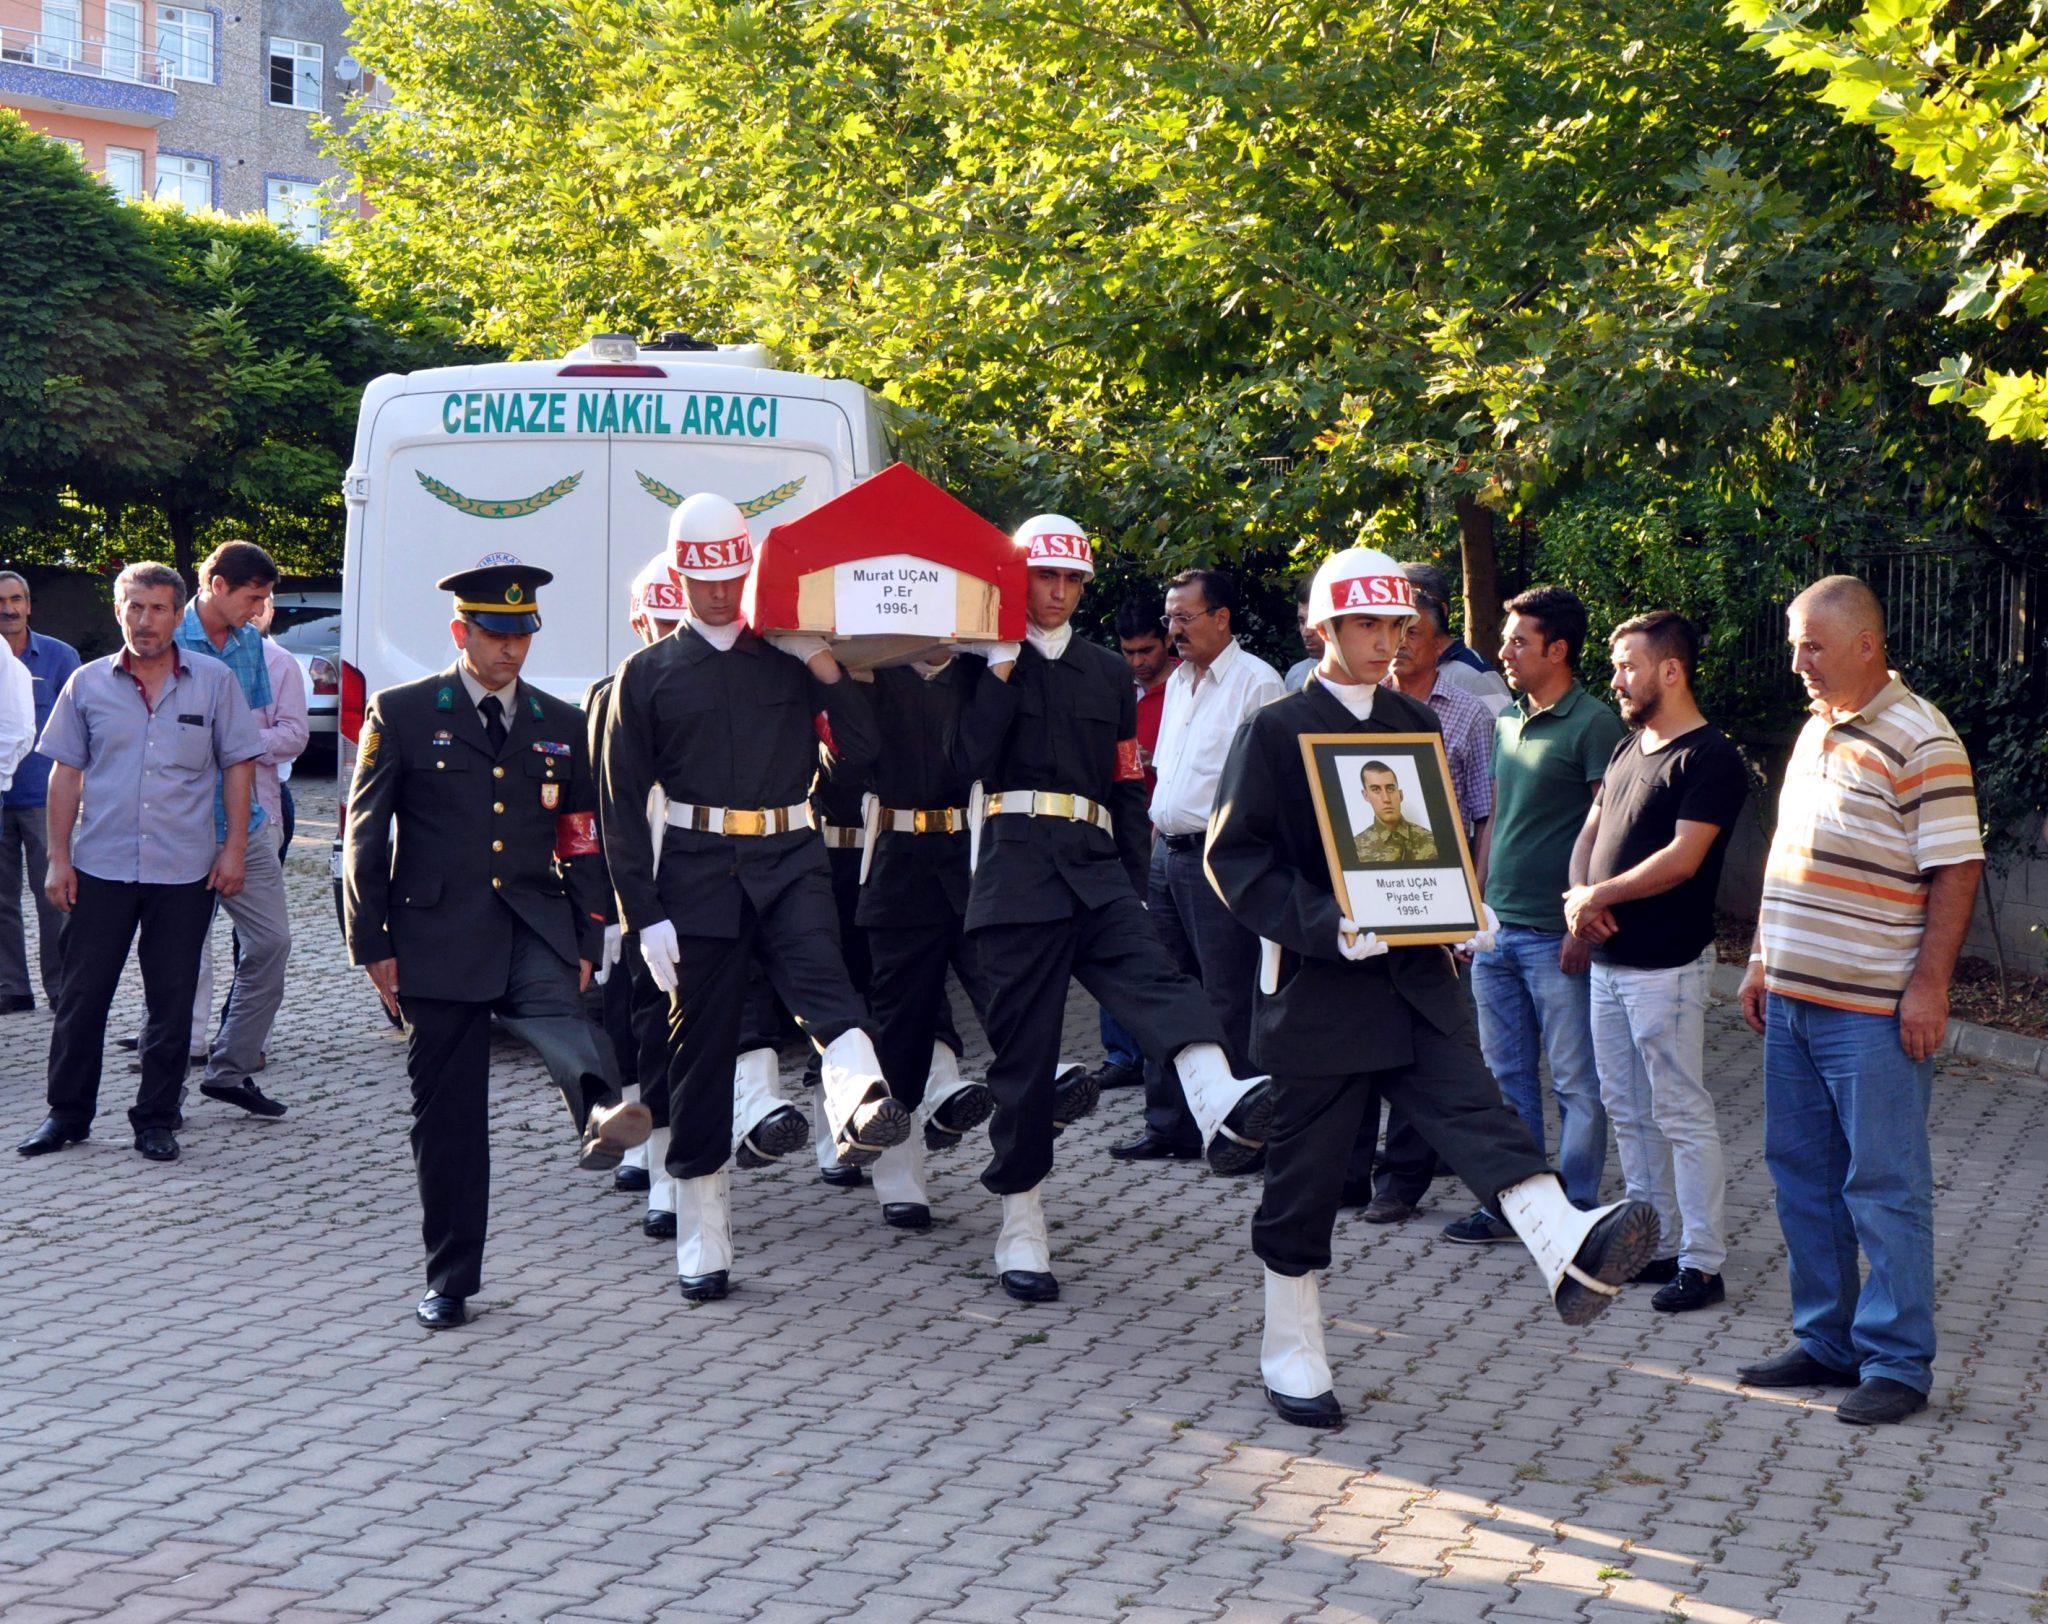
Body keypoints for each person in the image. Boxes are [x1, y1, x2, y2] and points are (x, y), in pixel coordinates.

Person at [1207, 544, 1657, 1429]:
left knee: (1477, 1113)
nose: (1385, 641)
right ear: (1321, 627)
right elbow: (1236, 857)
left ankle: (1563, 1241)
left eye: (1395, 625)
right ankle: (1291, 1347)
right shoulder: (1274, 727)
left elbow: (1430, 841)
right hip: (1322, 991)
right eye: (1366, 624)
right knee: (1307, 1177)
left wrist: (1464, 908)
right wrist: (1326, 923)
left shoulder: (1409, 724)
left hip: (1418, 980)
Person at [952, 514, 1272, 1303]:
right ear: (1017, 578)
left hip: (1097, 871)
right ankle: (1022, 1220)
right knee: (1024, 1065)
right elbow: (960, 764)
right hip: (1017, 873)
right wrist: (995, 669)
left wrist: (1133, 878)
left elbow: (1129, 783)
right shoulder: (979, 665)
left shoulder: (1106, 674)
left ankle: (1216, 1096)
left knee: (1159, 982)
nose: (1059, 593)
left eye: (1072, 580)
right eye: (1045, 577)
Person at [598, 492, 908, 1304]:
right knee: (699, 1053)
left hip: (790, 854)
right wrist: (643, 915)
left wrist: (822, 663)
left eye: (730, 575)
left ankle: (860, 1104)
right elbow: (619, 805)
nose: (718, 593)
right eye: (703, 579)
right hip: (695, 874)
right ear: (679, 575)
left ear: (747, 569)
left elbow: (867, 749)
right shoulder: (646, 675)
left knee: (827, 987)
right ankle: (704, 1229)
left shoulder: (782, 660)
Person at [343, 562, 649, 1330]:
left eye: (522, 634)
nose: (511, 649)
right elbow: (364, 833)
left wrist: (590, 926)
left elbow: (580, 837)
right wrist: (371, 943)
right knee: (447, 1120)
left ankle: (603, 1112)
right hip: (435, 934)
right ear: (461, 633)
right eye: (495, 634)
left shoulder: (558, 720)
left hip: (533, 920)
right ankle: (449, 1278)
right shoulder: (405, 712)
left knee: (566, 1020)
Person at [1735, 576, 1982, 1427]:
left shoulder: (1922, 737)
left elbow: (1957, 867)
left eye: (1813, 646)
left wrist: (1929, 986)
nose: (1797, 661)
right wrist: (1763, 957)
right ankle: (1828, 1342)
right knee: (1802, 1177)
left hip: (1874, 1011)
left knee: (1883, 1187)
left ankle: (1898, 1365)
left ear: (1867, 645)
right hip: (1795, 1000)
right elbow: (1788, 856)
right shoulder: (1816, 730)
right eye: (1795, 643)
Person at [16, 563, 262, 1164]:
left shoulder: (213, 681)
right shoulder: (87, 684)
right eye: (135, 608)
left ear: (179, 615)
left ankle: (156, 1119)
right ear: (118, 611)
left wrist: (232, 851)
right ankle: (67, 1116)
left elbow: (238, 766)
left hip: (184, 871)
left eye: (157, 609)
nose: (145, 621)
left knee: (171, 1002)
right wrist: (58, 860)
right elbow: (64, 773)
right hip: (100, 868)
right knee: (82, 998)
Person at [1564, 612, 1747, 1314]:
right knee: (1626, 1110)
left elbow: (1683, 859)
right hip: (1610, 963)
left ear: (1670, 670)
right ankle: (1651, 1241)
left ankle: (1702, 1263)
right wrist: (1577, 899)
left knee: (1679, 1111)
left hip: (1667, 968)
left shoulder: (1710, 758)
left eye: (1627, 666)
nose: (1615, 679)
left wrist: (1598, 895)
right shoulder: (1628, 746)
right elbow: (1592, 830)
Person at [1442, 585, 1623, 1245]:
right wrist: (1474, 913)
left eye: (1519, 641)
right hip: (1498, 930)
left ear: (1560, 649)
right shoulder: (1507, 720)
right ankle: (1514, 1203)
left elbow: (1611, 832)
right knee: (1504, 1076)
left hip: (1557, 937)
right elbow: (1495, 825)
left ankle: (1572, 1208)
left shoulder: (1594, 723)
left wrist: (1584, 923)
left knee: (1576, 1079)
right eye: (1506, 639)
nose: (1504, 652)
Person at [1340, 580, 1501, 1223]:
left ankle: (1401, 1183)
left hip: (1434, 891)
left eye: (1408, 632)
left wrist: (1472, 904)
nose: (1395, 646)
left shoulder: (1465, 711)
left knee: (1423, 1039)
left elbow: (1484, 817)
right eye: (1383, 631)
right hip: (1358, 891)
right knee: (1353, 1035)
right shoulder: (1351, 709)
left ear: (1440, 641)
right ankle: (1347, 1173)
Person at [1112, 568, 1281, 1165]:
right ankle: (1171, 1127)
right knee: (1164, 992)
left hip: (1219, 860)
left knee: (1227, 997)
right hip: (1165, 852)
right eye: (1170, 618)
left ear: (1222, 618)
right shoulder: (1180, 681)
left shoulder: (1257, 683)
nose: (1173, 630)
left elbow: (1272, 788)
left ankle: (1242, 1132)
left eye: (1185, 617)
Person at [856, 646, 1003, 1230]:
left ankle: (1020, 1155)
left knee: (1007, 1003)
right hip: (898, 865)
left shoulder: (982, 671)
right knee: (900, 1028)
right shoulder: (872, 671)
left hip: (971, 860)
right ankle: (898, 1175)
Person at [176, 544, 300, 1116]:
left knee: (272, 943)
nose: (260, 610)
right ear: (217, 585)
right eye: (253, 597)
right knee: (177, 961)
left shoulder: (250, 644)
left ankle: (230, 1068)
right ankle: (163, 1094)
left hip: (243, 825)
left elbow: (243, 742)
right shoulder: (166, 636)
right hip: (177, 827)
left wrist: (243, 830)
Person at [1091, 597, 1175, 1094]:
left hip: (1167, 835)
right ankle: (1122, 1054)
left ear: (1166, 642)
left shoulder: (1185, 687)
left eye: (1146, 650)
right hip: (1120, 833)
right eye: (1129, 652)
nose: (1138, 662)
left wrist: (1154, 762)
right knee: (1116, 941)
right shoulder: (1114, 688)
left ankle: (1167, 1046)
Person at [0, 570, 78, 1014]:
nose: (7, 608)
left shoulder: (57, 656)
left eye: (16, 599)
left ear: (29, 604)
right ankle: (12, 988)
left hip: (44, 798)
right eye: (0, 600)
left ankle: (61, 988)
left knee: (55, 896)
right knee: (0, 900)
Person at [1405, 562, 1511, 715]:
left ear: (1441, 611)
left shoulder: (1476, 676)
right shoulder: (1393, 673)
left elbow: (1501, 735)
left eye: (1415, 599)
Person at [1351, 760, 1438, 863]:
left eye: (1390, 789)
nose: (1386, 799)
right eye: (1376, 790)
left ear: (1400, 795)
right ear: (1366, 795)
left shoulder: (1431, 839)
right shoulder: (1356, 847)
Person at [1283, 578, 1322, 690]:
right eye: (1302, 621)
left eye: (1315, 620)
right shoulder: (1296, 676)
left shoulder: (1370, 674)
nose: (1306, 632)